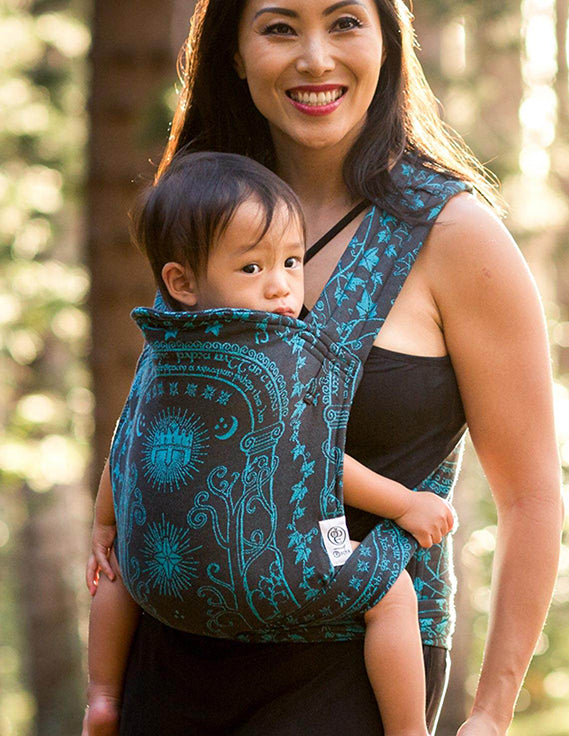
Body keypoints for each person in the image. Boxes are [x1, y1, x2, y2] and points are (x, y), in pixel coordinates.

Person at [87, 0, 563, 734]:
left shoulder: (454, 236)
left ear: (387, 42)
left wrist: (488, 714)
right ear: (234, 54)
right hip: (169, 664)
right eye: (279, 28)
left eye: (344, 23)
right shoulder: (206, 215)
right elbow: (163, 416)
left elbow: (530, 496)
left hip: (357, 666)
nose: (315, 58)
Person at [84, 150, 455, 736]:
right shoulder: (275, 356)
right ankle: (409, 730)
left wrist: (105, 524)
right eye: (252, 268)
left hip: (166, 588)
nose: (280, 285)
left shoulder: (163, 350)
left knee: (116, 567)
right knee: (394, 591)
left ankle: (102, 699)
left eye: (291, 261)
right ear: (181, 281)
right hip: (264, 576)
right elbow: (317, 460)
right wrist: (406, 504)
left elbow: (131, 442)